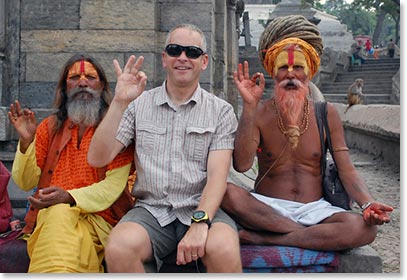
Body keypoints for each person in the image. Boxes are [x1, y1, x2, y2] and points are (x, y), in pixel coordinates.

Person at [221, 15, 393, 252]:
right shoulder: (259, 112)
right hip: (266, 207)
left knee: (364, 229)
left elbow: (346, 170)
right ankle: (310, 236)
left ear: (309, 72)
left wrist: (367, 203)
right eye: (283, 68)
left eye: (298, 68)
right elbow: (241, 165)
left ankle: (272, 238)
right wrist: (249, 108)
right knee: (227, 192)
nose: (291, 75)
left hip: (315, 210)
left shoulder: (327, 113)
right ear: (274, 72)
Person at [87, 24, 242, 273]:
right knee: (118, 248)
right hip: (151, 210)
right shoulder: (139, 105)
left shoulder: (220, 111)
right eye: (174, 50)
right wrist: (120, 101)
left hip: (200, 206)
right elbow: (97, 158)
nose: (182, 57)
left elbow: (217, 177)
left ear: (203, 62)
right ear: (164, 59)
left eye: (191, 52)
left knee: (222, 248)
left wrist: (201, 223)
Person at [8, 54, 135, 272]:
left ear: (102, 85)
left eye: (90, 77)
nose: (83, 82)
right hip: (52, 217)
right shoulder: (50, 127)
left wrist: (69, 197)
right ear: (65, 88)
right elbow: (24, 181)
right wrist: (27, 142)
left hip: (100, 220)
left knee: (61, 215)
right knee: (59, 216)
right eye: (75, 77)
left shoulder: (118, 128)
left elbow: (112, 188)